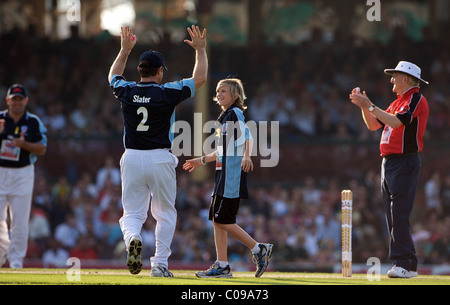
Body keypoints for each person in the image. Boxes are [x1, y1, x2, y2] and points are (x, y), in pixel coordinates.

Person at [108, 25, 207, 277]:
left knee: (132, 214)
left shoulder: (127, 91)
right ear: (160, 71)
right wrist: (201, 51)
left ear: (139, 70)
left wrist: (124, 50)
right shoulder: (167, 92)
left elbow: (113, 77)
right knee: (165, 214)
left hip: (131, 157)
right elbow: (200, 78)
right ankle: (160, 264)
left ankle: (132, 240)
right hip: (160, 157)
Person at [183, 78, 273, 278]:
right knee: (217, 220)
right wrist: (202, 160)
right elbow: (223, 150)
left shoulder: (235, 113)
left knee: (222, 220)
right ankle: (222, 265)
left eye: (224, 91)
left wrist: (247, 155)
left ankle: (258, 248)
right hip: (223, 175)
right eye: (217, 91)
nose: (219, 94)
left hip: (231, 176)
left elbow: (248, 136)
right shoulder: (225, 117)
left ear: (235, 95)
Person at [349, 61, 429, 278]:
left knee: (398, 213)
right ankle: (408, 264)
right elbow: (374, 125)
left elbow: (396, 123)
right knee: (393, 215)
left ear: (406, 79)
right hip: (390, 162)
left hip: (404, 161)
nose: (392, 80)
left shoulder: (415, 98)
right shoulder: (398, 102)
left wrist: (370, 105)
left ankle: (402, 263)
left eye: (395, 76)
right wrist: (365, 107)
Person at [0, 84, 47, 268]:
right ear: (8, 101)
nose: (17, 103)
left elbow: (42, 148)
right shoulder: (1, 119)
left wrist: (24, 144)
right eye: (14, 99)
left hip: (23, 173)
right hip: (1, 171)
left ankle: (16, 261)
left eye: (20, 99)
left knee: (19, 219)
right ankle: (2, 252)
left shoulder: (33, 122)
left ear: (26, 101)